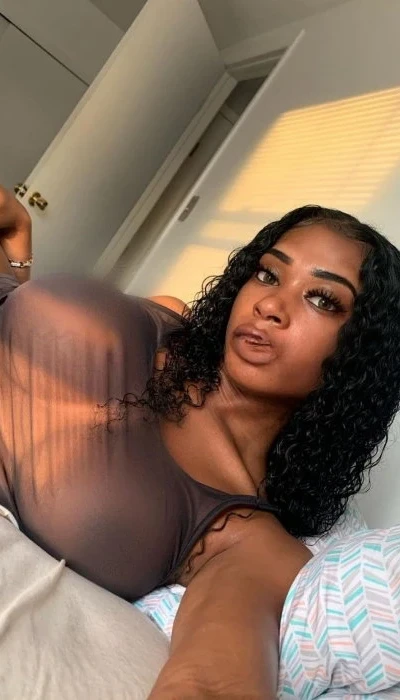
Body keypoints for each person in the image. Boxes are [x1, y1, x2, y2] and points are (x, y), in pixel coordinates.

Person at [0, 183, 399, 699]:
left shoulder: (250, 542)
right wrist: (19, 251)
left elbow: (209, 684)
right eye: (268, 274)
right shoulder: (167, 319)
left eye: (322, 299)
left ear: (360, 357)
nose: (271, 305)